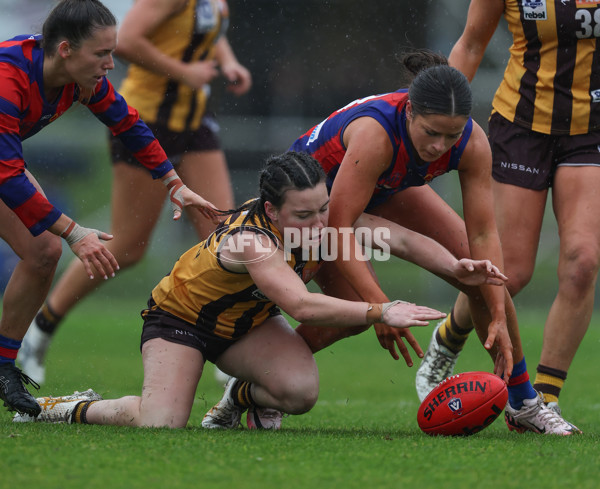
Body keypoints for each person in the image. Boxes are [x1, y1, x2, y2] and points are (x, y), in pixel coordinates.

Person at [210, 50, 580, 434]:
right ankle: (256, 384)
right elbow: (338, 226)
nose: (440, 146)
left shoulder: (472, 143)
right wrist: (381, 309)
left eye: (450, 135)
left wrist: (499, 316)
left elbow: (484, 234)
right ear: (409, 114)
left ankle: (523, 403)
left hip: (382, 187)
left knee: (479, 273)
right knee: (352, 313)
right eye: (431, 133)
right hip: (314, 209)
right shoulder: (375, 135)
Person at [13, 151, 459, 428]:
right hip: (180, 323)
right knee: (161, 422)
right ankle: (65, 407)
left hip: (245, 326)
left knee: (299, 393)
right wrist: (381, 311)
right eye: (305, 215)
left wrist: (460, 268)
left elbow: (396, 237)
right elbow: (299, 304)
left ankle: (236, 396)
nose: (321, 224)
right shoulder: (252, 241)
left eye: (324, 209)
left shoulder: (319, 220)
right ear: (272, 210)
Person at [0, 0, 218, 417]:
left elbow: (128, 124)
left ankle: (3, 365)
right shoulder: (8, 78)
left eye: (112, 53)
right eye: (102, 54)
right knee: (53, 242)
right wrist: (75, 232)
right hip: (3, 170)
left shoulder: (79, 79)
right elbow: (8, 177)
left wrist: (175, 183)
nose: (111, 64)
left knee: (43, 251)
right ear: (65, 49)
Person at [415, 0, 600, 418]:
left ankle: (543, 401)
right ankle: (450, 335)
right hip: (521, 127)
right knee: (509, 274)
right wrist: (438, 123)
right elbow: (472, 43)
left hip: (591, 130)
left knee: (583, 263)